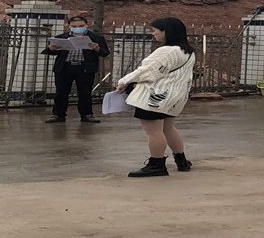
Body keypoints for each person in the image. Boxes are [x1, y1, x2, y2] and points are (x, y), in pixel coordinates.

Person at [115, 17, 196, 177]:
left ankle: (157, 164)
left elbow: (146, 71)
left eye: (155, 30)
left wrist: (123, 81)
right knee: (168, 128)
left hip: (154, 97)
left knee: (153, 132)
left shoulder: (166, 51)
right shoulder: (188, 52)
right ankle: (181, 160)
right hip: (174, 97)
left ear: (166, 31)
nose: (153, 33)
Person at [42, 15, 110, 123]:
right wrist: (51, 49)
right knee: (61, 92)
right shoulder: (61, 37)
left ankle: (87, 114)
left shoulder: (96, 38)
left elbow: (105, 52)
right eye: (74, 26)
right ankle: (58, 114)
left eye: (81, 26)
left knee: (85, 92)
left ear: (86, 25)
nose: (78, 28)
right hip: (65, 67)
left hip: (85, 67)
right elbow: (50, 52)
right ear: (69, 26)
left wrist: (97, 48)